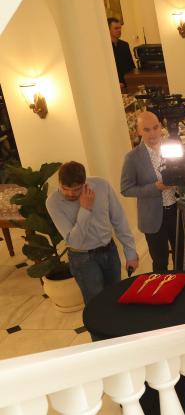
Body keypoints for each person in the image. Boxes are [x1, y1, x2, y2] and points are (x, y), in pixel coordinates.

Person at [47, 161, 139, 304]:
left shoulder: (102, 186)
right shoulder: (53, 202)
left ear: (84, 183)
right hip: (83, 258)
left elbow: (119, 219)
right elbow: (74, 242)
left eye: (76, 189)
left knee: (115, 297)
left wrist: (131, 252)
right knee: (96, 304)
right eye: (65, 188)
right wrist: (85, 209)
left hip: (110, 251)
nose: (70, 193)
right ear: (59, 182)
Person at [120, 111, 178, 272]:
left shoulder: (173, 147)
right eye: (146, 129)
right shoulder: (132, 158)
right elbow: (126, 189)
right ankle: (162, 287)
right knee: (160, 261)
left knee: (181, 256)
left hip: (176, 211)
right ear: (139, 131)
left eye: (155, 127)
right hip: (152, 217)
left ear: (161, 126)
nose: (153, 133)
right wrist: (155, 188)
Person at [109, 17, 135, 91]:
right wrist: (116, 83)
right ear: (108, 29)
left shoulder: (125, 45)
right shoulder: (105, 48)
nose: (119, 30)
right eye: (116, 28)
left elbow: (131, 65)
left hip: (128, 84)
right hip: (113, 86)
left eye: (120, 28)